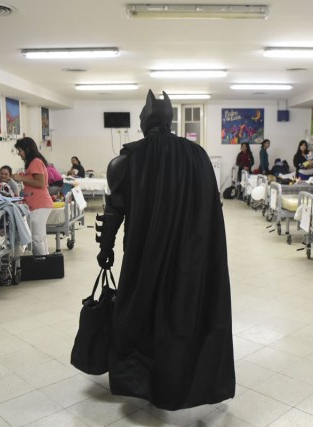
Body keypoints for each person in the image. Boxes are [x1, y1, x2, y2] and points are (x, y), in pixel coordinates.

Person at [94, 90, 235, 410]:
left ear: (144, 121)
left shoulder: (125, 160)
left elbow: (114, 211)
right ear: (169, 121)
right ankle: (186, 381)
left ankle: (141, 380)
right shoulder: (198, 156)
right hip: (192, 255)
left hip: (144, 255)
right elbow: (211, 208)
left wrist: (106, 249)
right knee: (184, 314)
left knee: (140, 314)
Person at [13, 137, 53, 256]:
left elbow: (40, 183)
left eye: (20, 151)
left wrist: (21, 178)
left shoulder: (35, 161)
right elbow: (34, 180)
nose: (19, 154)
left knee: (37, 238)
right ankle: (45, 260)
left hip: (40, 204)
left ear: (27, 149)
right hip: (38, 204)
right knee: (40, 236)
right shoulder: (35, 162)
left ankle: (41, 264)